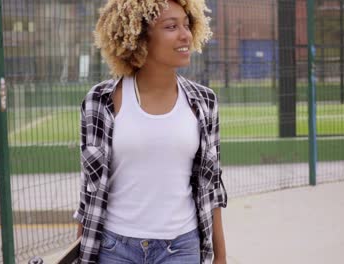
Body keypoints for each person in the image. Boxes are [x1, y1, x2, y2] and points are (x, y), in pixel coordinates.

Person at [73, 0, 228, 263]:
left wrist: (220, 257)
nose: (185, 35)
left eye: (187, 25)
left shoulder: (204, 102)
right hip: (114, 249)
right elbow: (91, 188)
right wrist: (79, 255)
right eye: (171, 26)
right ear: (139, 37)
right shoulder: (100, 101)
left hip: (182, 247)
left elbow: (211, 187)